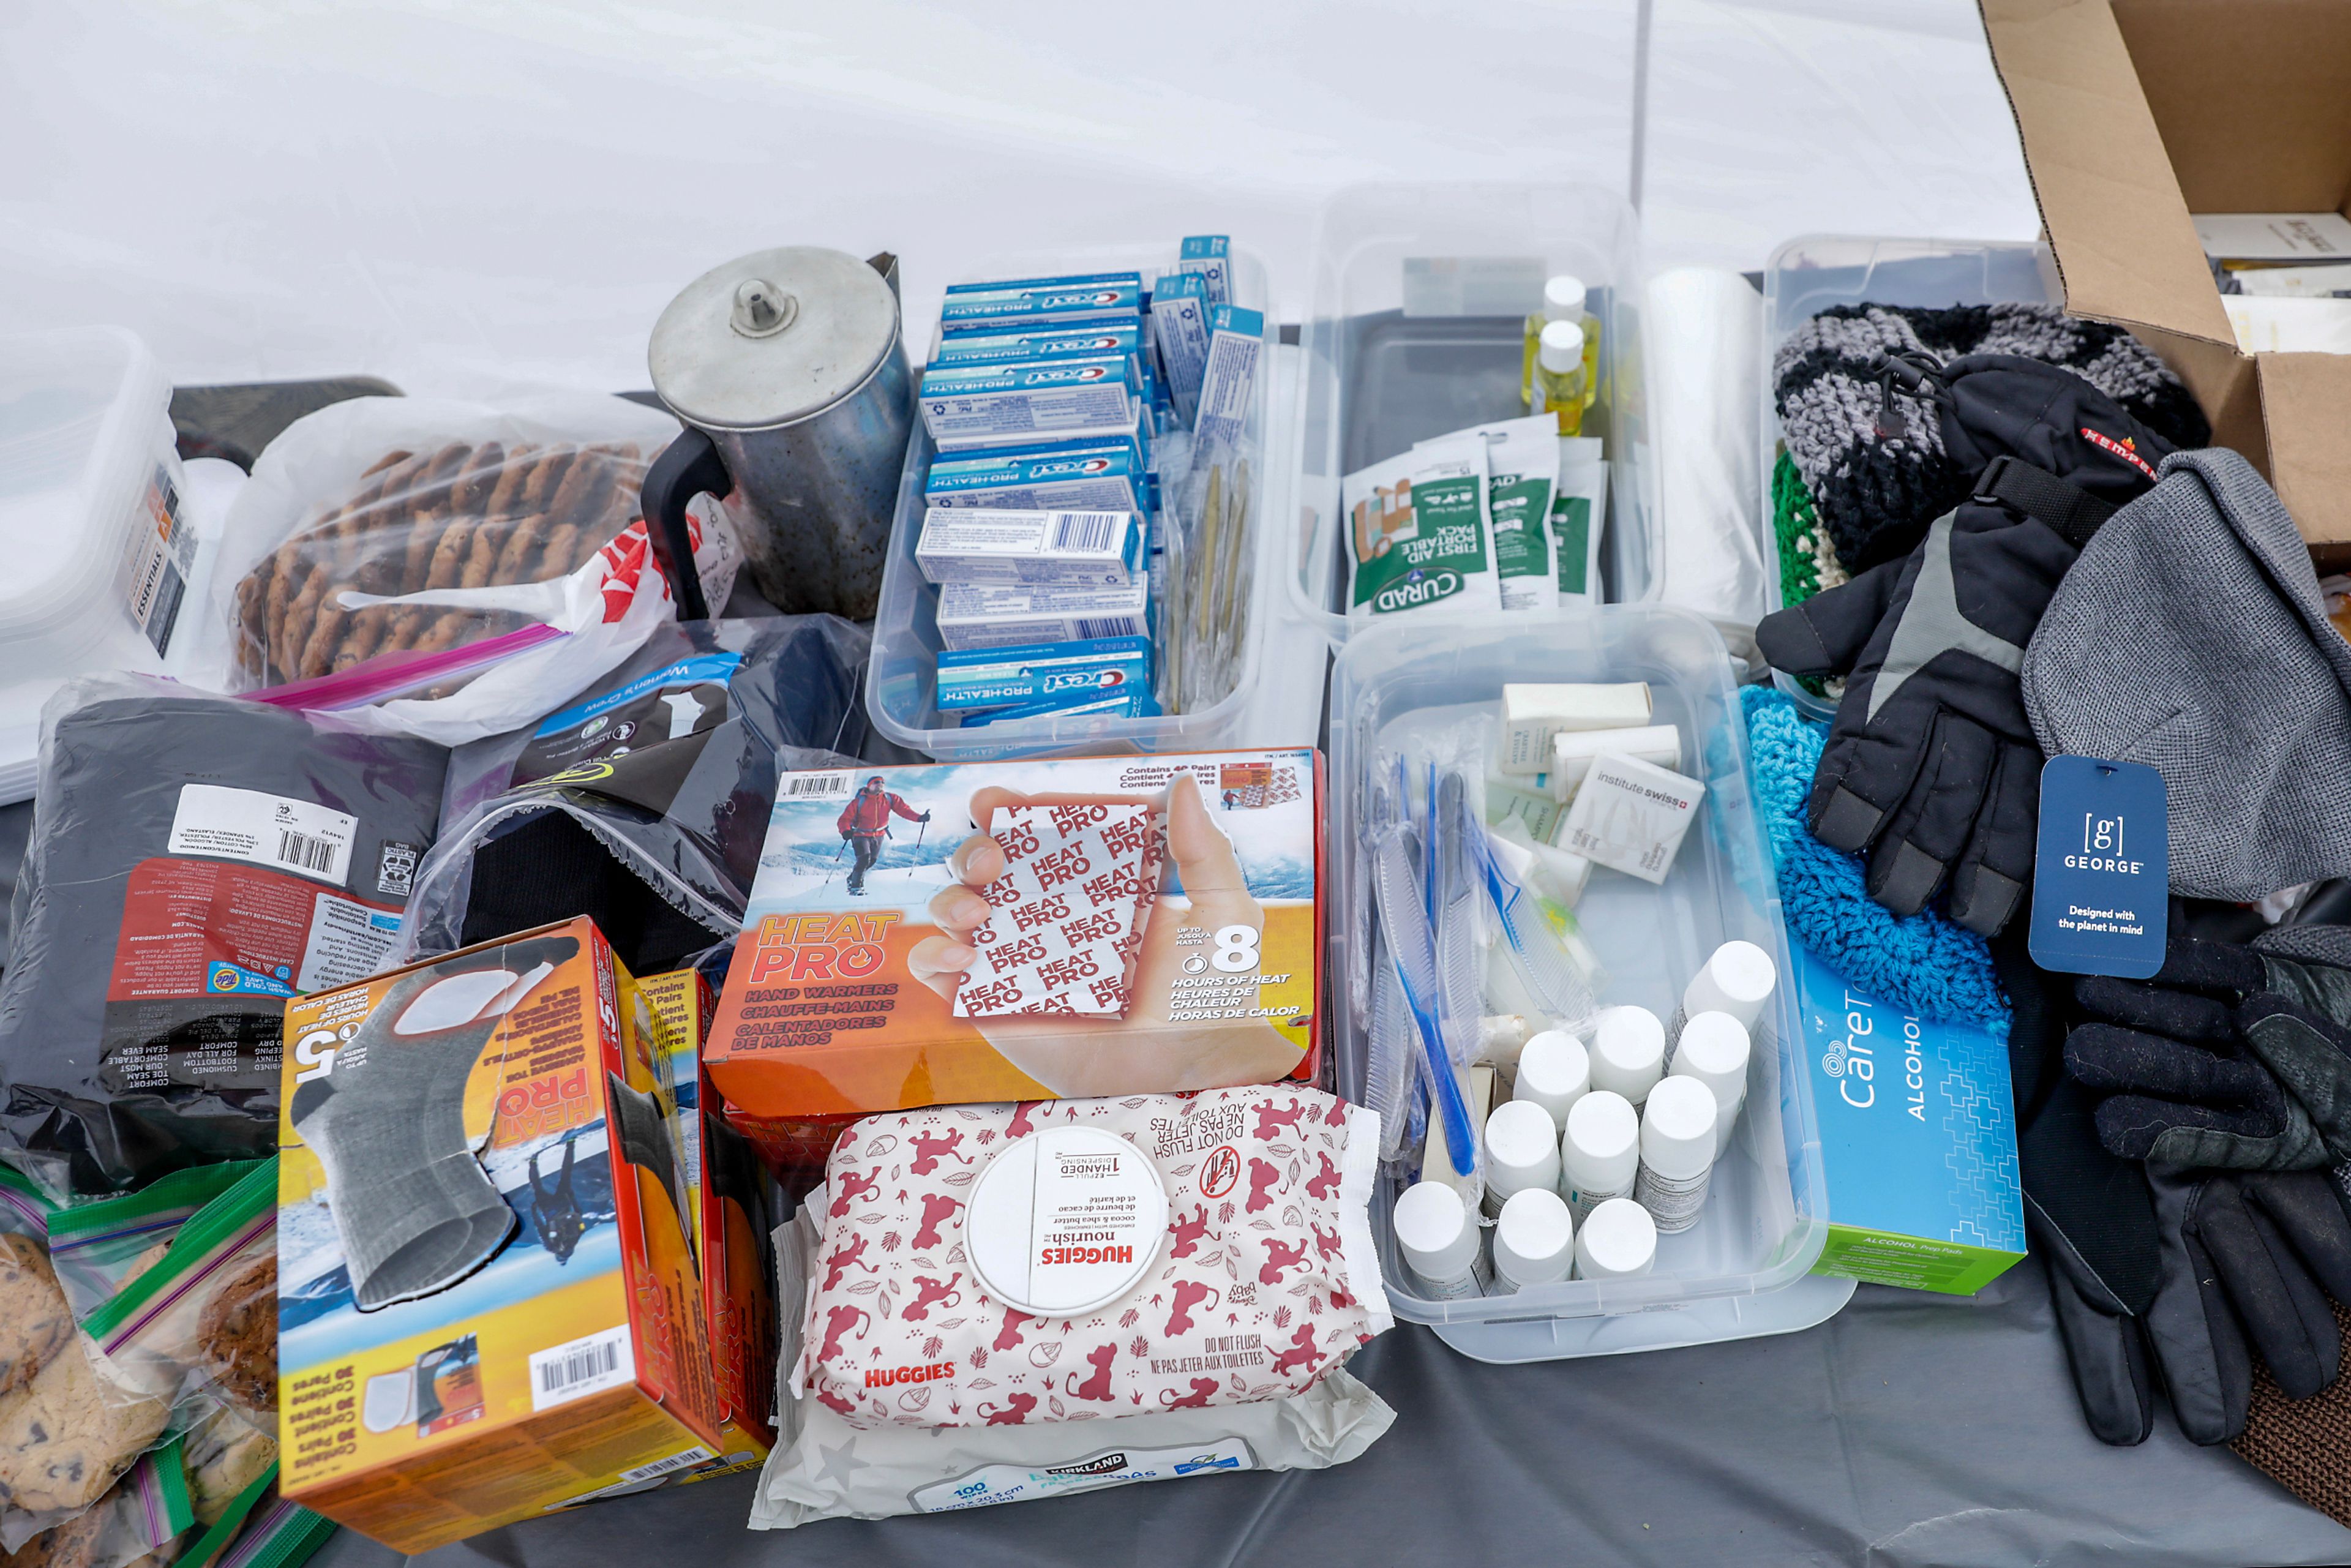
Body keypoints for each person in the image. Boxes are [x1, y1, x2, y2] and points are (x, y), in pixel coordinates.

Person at [837, 776, 928, 896]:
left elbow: (904, 810)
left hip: (879, 835)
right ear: (869, 785)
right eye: (876, 783)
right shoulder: (859, 802)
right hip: (860, 834)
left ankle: (852, 878)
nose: (880, 784)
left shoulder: (890, 799)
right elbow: (844, 819)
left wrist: (919, 818)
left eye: (882, 783)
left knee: (872, 861)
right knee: (864, 859)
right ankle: (856, 888)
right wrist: (845, 831)